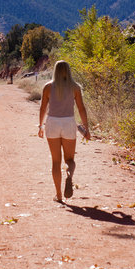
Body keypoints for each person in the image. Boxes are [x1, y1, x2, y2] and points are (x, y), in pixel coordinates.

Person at [38, 60, 90, 202]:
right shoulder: (75, 87)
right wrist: (86, 128)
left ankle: (59, 195)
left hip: (52, 123)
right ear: (68, 70)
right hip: (68, 123)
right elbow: (81, 108)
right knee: (70, 160)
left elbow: (43, 108)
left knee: (55, 161)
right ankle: (69, 176)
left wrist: (40, 126)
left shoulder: (48, 87)